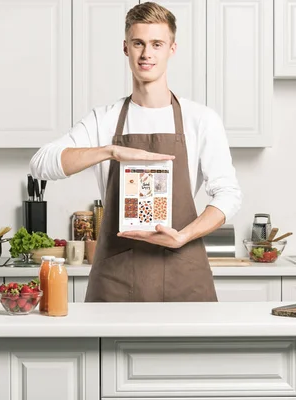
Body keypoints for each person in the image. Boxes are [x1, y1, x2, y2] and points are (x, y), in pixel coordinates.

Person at [30, 1, 242, 302]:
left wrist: (183, 236)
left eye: (157, 44)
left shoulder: (201, 119)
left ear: (172, 49)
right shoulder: (104, 119)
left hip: (183, 268)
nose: (147, 54)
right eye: (138, 43)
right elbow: (41, 164)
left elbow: (229, 194)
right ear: (126, 47)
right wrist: (111, 151)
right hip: (117, 274)